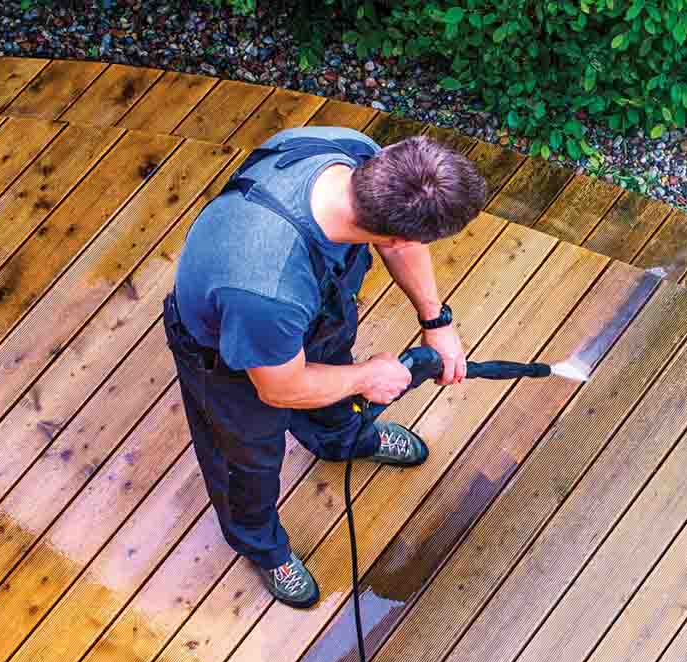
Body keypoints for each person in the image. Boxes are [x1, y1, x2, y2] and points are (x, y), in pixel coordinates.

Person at [163, 126, 486, 608]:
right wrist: (366, 377)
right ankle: (262, 545)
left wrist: (435, 321)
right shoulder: (266, 287)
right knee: (246, 462)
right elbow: (281, 389)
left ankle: (342, 440)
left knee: (336, 386)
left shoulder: (359, 156)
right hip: (229, 361)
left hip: (311, 317)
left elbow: (398, 245)